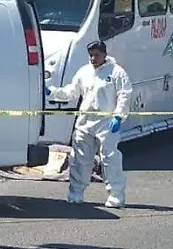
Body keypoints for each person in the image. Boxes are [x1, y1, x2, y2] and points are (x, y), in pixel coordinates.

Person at [46, 40, 133, 208]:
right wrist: (54, 92)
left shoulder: (116, 72)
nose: (93, 58)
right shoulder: (84, 72)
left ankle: (116, 195)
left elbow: (125, 94)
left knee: (110, 158)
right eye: (91, 55)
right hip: (85, 121)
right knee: (80, 158)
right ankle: (76, 192)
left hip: (106, 121)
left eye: (97, 55)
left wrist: (118, 116)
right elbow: (72, 92)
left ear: (104, 54)